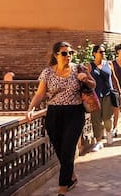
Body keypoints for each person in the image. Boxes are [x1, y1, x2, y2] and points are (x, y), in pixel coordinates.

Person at [26, 41, 94, 195]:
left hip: (75, 113)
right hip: (54, 114)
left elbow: (93, 85)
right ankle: (71, 176)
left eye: (70, 53)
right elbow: (40, 94)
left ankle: (63, 189)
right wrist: (31, 108)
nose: (68, 56)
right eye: (64, 53)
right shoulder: (47, 73)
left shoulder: (79, 69)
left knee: (68, 149)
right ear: (56, 55)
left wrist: (85, 79)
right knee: (60, 150)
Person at [87, 45, 120, 150]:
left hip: (107, 94)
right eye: (100, 52)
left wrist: (119, 92)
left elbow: (114, 78)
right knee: (96, 119)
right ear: (94, 53)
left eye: (104, 52)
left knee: (107, 118)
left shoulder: (109, 64)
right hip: (94, 96)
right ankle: (99, 141)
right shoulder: (89, 66)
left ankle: (109, 132)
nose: (103, 54)